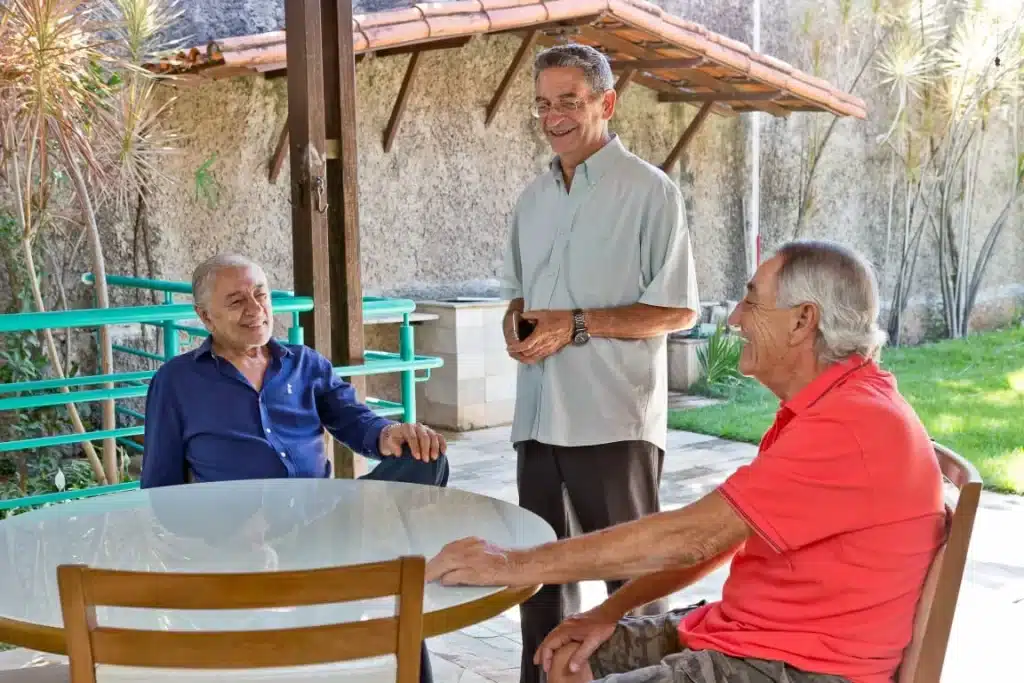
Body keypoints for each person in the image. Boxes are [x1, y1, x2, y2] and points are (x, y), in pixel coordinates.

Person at [429, 241, 947, 683]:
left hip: (793, 665)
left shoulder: (848, 424)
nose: (737, 318)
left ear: (803, 320)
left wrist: (512, 563)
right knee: (566, 652)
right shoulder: (834, 405)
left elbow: (690, 535)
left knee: (567, 657)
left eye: (751, 300)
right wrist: (607, 611)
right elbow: (718, 538)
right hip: (755, 634)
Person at [141, 252, 448, 683]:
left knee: (426, 458)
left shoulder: (304, 364)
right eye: (236, 301)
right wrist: (221, 537)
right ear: (205, 317)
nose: (255, 309)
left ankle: (376, 552)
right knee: (390, 587)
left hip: (324, 524)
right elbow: (161, 494)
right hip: (242, 546)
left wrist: (386, 434)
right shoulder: (177, 382)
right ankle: (375, 564)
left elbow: (355, 420)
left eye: (261, 295)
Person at [499, 43, 701, 683]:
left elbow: (677, 311)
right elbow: (520, 296)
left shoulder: (650, 192)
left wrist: (577, 324)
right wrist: (516, 321)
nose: (553, 116)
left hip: (612, 421)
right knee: (538, 587)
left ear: (606, 103)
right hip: (537, 420)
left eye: (569, 101)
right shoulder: (531, 199)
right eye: (543, 104)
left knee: (633, 591)